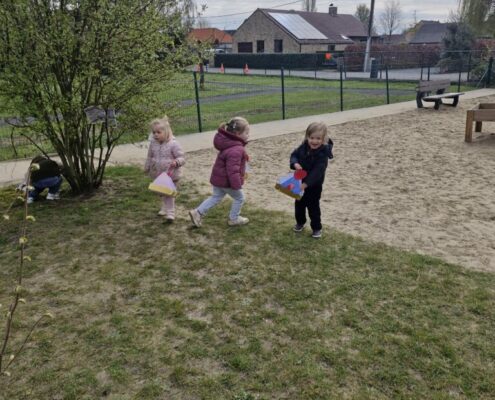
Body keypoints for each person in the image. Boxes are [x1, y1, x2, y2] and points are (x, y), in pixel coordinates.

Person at [189, 116, 250, 227]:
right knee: (240, 198)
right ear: (237, 134)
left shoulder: (229, 143)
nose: (248, 135)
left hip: (219, 179)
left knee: (216, 197)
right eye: (246, 133)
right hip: (227, 181)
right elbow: (233, 170)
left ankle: (197, 212)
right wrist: (236, 185)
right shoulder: (237, 149)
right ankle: (234, 218)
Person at [289, 122, 333, 238]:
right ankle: (300, 222)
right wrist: (295, 163)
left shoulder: (323, 154)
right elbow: (294, 155)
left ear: (323, 139)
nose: (314, 141)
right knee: (299, 205)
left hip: (314, 186)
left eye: (318, 138)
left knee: (313, 207)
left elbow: (317, 172)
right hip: (299, 182)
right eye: (311, 138)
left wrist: (305, 184)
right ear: (307, 137)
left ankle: (316, 228)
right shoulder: (303, 147)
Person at [144, 116, 185, 221]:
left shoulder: (173, 144)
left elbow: (182, 157)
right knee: (162, 192)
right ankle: (165, 207)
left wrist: (177, 162)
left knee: (169, 193)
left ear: (166, 132)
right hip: (158, 173)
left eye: (159, 132)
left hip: (171, 174)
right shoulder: (153, 144)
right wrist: (147, 166)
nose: (155, 135)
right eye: (154, 132)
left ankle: (170, 213)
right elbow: (150, 156)